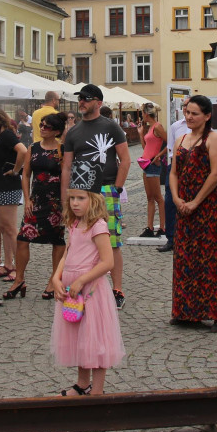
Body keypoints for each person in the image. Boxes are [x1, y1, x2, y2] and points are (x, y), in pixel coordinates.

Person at [61, 85, 131, 310]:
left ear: (98, 103)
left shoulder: (111, 127)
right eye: (80, 98)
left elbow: (125, 159)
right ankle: (80, 285)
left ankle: (117, 289)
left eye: (86, 99)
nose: (81, 102)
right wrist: (66, 197)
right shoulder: (72, 132)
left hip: (107, 188)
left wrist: (117, 189)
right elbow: (67, 166)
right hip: (81, 192)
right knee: (79, 240)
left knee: (112, 241)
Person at [50, 189, 125, 396]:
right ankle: (82, 384)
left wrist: (82, 279)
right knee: (79, 339)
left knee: (95, 340)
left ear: (93, 200)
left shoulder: (98, 226)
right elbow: (67, 253)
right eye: (72, 198)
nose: (75, 203)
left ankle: (97, 390)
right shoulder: (74, 224)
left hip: (91, 292)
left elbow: (108, 261)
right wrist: (56, 278)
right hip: (72, 292)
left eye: (81, 198)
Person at [168, 95, 217, 332]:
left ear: (206, 116)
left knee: (210, 257)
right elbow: (173, 172)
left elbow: (215, 174)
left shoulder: (214, 138)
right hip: (184, 204)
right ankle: (185, 311)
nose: (189, 117)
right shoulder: (181, 138)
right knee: (185, 256)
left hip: (207, 205)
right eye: (187, 112)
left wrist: (195, 202)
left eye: (194, 113)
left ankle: (215, 313)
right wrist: (176, 198)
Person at [10, 112, 67, 300]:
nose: (42, 128)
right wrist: (27, 199)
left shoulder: (63, 150)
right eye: (41, 125)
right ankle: (19, 279)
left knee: (57, 241)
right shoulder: (33, 148)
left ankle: (53, 279)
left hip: (56, 202)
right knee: (23, 238)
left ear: (56, 131)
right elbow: (26, 175)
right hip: (36, 200)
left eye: (47, 126)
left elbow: (68, 175)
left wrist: (67, 204)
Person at [0, 107, 27, 283]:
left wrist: (16, 171)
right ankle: (9, 264)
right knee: (3, 226)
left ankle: (19, 268)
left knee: (10, 228)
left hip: (7, 187)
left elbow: (23, 151)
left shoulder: (7, 135)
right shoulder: (2, 137)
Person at [158, 97, 191, 253]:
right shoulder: (175, 126)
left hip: (193, 168)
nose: (186, 109)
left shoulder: (202, 127)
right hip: (176, 167)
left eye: (189, 106)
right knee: (170, 201)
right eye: (184, 106)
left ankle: (189, 237)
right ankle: (171, 238)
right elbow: (170, 149)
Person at [137, 104, 167, 238]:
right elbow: (146, 146)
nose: (142, 116)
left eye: (142, 113)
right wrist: (140, 134)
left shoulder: (158, 127)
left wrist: (159, 156)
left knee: (158, 198)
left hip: (153, 164)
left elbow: (169, 143)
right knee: (150, 198)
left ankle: (162, 227)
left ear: (146, 114)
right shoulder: (150, 128)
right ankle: (149, 227)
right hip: (146, 164)